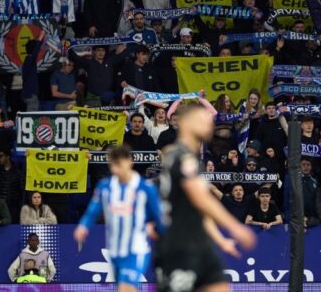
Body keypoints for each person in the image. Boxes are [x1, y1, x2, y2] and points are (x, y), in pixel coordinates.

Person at [155, 103, 256, 292]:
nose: (209, 125)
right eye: (201, 120)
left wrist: (220, 240)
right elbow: (200, 197)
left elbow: (199, 209)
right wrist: (235, 227)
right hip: (178, 248)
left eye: (209, 121)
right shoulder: (181, 156)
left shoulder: (190, 158)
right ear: (185, 123)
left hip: (201, 247)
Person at [75, 145, 163, 292]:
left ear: (130, 162)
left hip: (136, 249)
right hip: (114, 251)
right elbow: (92, 212)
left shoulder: (145, 188)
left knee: (125, 289)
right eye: (112, 165)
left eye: (119, 165)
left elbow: (159, 217)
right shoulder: (105, 187)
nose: (115, 170)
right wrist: (83, 226)